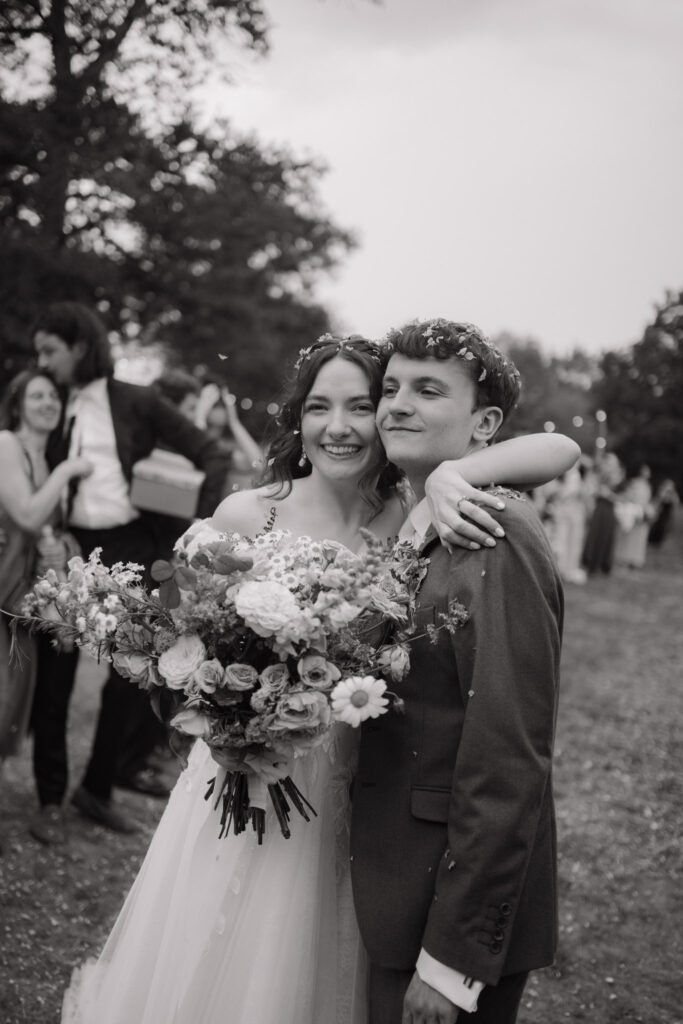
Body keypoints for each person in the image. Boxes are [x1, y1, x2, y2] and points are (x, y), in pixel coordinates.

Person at [60, 334, 578, 1023]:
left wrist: (457, 474)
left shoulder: (416, 513)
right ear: (297, 419)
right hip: (243, 780)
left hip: (356, 792)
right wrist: (221, 716)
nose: (338, 426)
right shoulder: (248, 514)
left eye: (361, 404)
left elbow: (558, 450)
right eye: (317, 407)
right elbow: (164, 650)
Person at [350, 319, 564, 1024]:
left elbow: (506, 757)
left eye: (427, 390)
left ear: (485, 425)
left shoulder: (487, 531)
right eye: (389, 388)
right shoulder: (417, 522)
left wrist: (451, 963)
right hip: (395, 879)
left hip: (440, 910)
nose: (395, 406)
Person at [31, 301, 230, 838]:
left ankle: (96, 791)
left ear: (78, 346)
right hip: (68, 549)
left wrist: (194, 527)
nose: (44, 363)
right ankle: (50, 799)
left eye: (51, 350)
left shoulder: (136, 401)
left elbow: (211, 453)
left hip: (133, 548)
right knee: (56, 677)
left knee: (130, 677)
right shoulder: (44, 401)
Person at [0, 370, 91, 848]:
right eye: (37, 395)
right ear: (18, 404)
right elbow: (29, 515)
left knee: (20, 702)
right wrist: (69, 471)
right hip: (2, 589)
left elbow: (49, 529)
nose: (47, 403)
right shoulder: (7, 446)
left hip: (31, 597)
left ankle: (50, 801)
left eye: (53, 396)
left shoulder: (50, 455)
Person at [581, 451, 624, 576]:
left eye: (611, 462)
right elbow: (592, 490)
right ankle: (590, 563)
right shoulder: (600, 475)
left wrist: (608, 495)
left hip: (609, 509)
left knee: (606, 535)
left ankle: (603, 564)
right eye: (608, 462)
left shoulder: (619, 478)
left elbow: (622, 498)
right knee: (595, 534)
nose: (609, 464)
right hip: (599, 508)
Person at [613, 465, 653, 569]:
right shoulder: (634, 483)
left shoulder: (648, 486)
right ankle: (624, 558)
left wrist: (646, 509)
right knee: (628, 536)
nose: (647, 473)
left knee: (640, 537)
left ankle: (635, 559)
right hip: (633, 511)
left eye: (648, 472)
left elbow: (647, 500)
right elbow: (629, 495)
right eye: (645, 471)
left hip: (642, 513)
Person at [648, 478, 680, 548]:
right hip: (660, 515)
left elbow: (676, 504)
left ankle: (660, 541)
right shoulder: (661, 493)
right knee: (658, 528)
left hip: (667, 516)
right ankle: (654, 541)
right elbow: (656, 502)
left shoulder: (674, 495)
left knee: (665, 528)